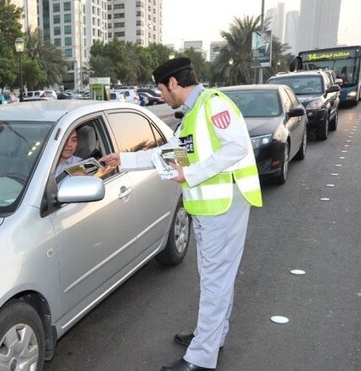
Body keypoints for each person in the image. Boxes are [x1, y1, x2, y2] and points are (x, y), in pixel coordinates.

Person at [99, 57, 262, 371]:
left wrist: (192, 174)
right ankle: (211, 336)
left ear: (174, 83)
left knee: (215, 280)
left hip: (224, 206)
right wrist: (122, 159)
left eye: (162, 89)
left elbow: (237, 147)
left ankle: (201, 358)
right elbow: (167, 154)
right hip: (210, 208)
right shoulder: (191, 116)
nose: (162, 96)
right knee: (215, 278)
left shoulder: (213, 104)